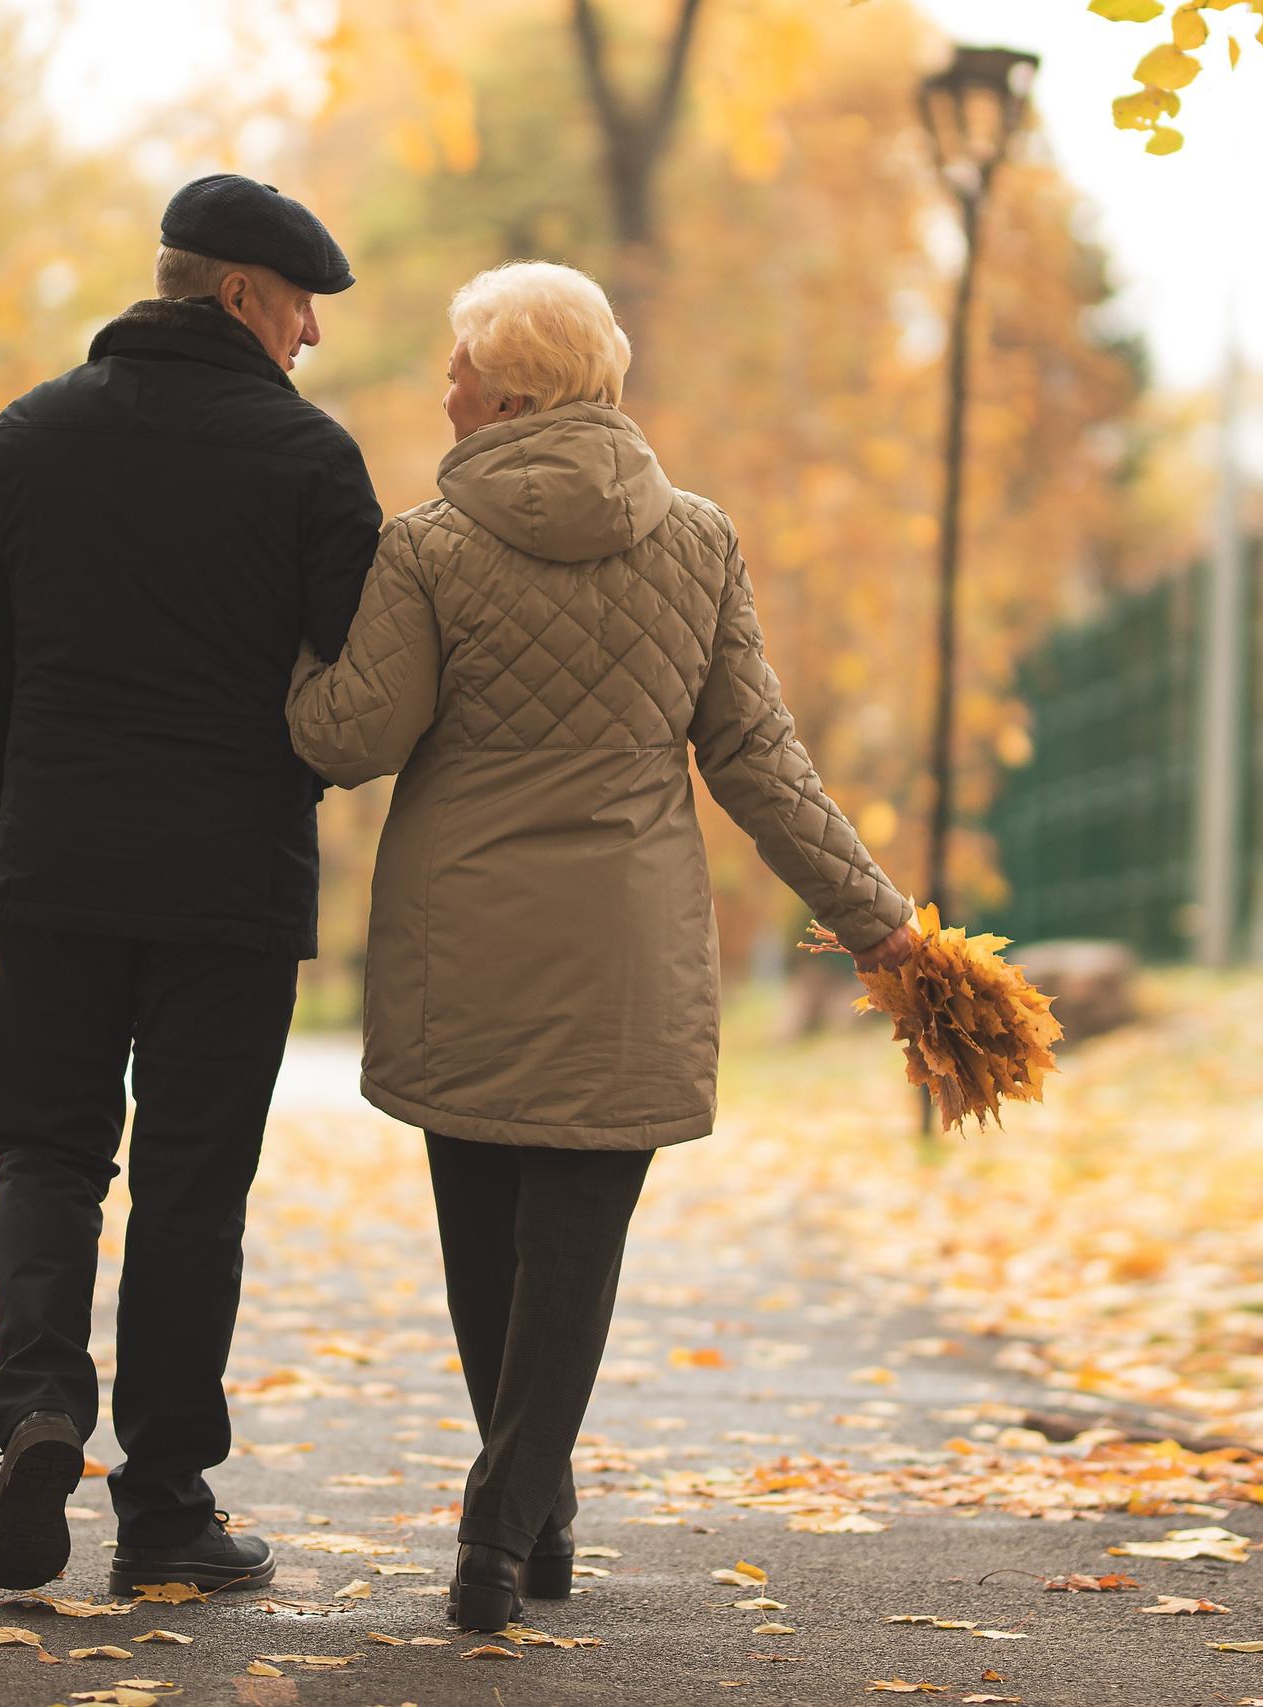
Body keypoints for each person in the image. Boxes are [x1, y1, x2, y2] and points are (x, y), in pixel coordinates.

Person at [285, 260, 921, 1632]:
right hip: (626, 953)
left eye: (460, 366)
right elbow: (756, 756)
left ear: (509, 389)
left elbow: (352, 739)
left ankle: (506, 1515)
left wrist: (284, 652)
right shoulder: (696, 539)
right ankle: (524, 1516)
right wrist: (885, 925)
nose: (445, 387)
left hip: (464, 945)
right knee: (573, 1259)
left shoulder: (428, 545)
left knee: (485, 1256)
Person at [0, 174, 381, 1599]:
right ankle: (168, 1503)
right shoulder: (309, 461)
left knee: (47, 1155)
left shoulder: (26, 437)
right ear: (242, 293)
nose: (310, 333)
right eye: (302, 303)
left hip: (55, 863)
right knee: (195, 1183)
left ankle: (41, 1404)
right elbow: (354, 676)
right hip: (230, 881)